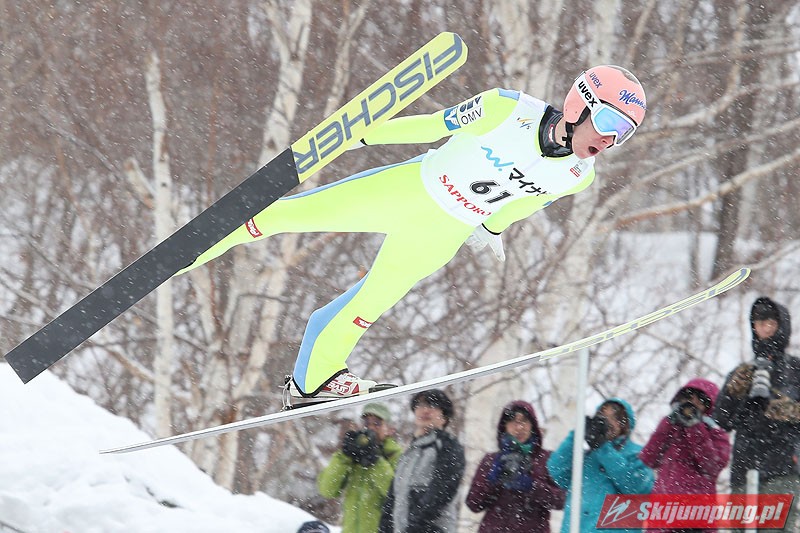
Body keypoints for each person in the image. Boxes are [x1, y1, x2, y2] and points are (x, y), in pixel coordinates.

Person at [175, 65, 648, 401]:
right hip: (408, 191)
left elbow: (525, 203)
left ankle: (312, 381)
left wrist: (492, 228)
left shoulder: (578, 176)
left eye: (623, 134)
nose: (609, 139)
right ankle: (190, 250)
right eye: (609, 123)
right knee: (286, 216)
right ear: (579, 104)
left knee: (366, 307)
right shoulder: (505, 109)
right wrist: (360, 134)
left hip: (440, 236)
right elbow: (430, 127)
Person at [714, 296, 800, 531]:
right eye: (759, 323)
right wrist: (733, 392)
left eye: (771, 323)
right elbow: (721, 420)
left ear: (782, 326)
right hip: (745, 467)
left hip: (783, 467)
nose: (765, 329)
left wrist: (790, 411)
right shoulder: (743, 371)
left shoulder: (796, 370)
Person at [547, 398, 654, 533]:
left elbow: (638, 488)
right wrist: (577, 435)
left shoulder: (637, 452)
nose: (607, 421)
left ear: (625, 425)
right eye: (602, 415)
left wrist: (603, 448)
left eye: (615, 417)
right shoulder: (585, 454)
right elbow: (556, 471)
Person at [639, 378, 731, 533]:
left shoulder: (716, 433)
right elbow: (649, 458)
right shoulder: (670, 426)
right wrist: (669, 423)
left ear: (709, 406)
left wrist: (695, 427)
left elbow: (713, 466)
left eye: (701, 399)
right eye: (688, 396)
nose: (692, 403)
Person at [466, 400, 565, 532]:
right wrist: (493, 481)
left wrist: (532, 486)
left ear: (533, 425)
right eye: (512, 421)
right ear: (504, 427)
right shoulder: (492, 460)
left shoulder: (547, 459)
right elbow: (473, 503)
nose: (519, 427)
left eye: (524, 420)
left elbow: (563, 500)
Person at [379, 389, 465, 533]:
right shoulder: (409, 453)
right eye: (420, 405)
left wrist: (416, 525)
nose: (425, 410)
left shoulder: (448, 446)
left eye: (433, 405)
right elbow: (392, 499)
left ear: (444, 417)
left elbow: (442, 491)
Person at [317, 403, 403, 533]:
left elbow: (397, 494)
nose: (371, 428)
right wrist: (344, 455)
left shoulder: (396, 455)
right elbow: (327, 490)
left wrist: (375, 461)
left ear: (389, 430)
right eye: (367, 423)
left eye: (377, 423)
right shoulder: (354, 456)